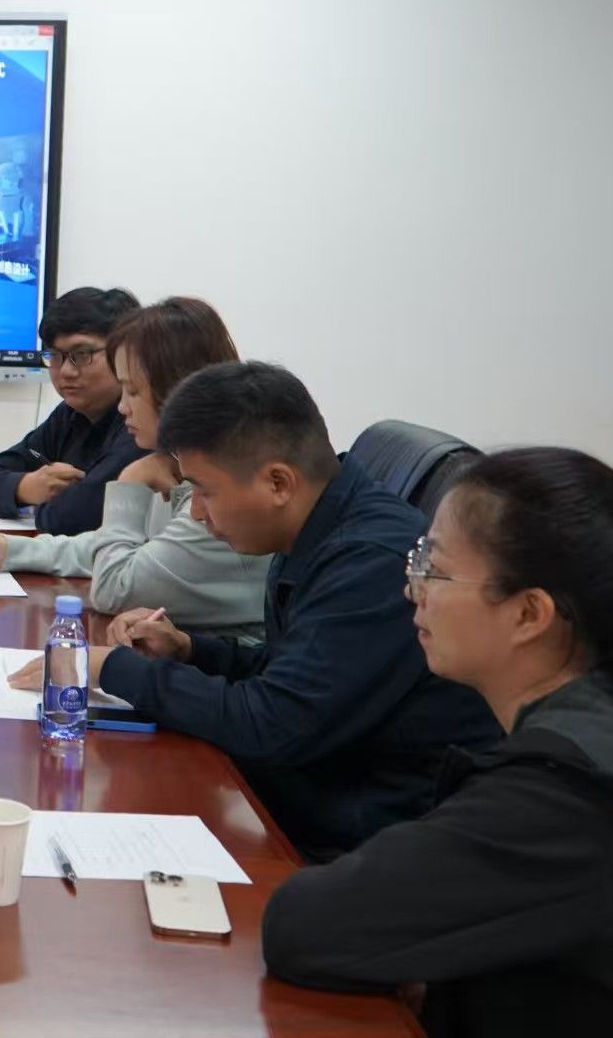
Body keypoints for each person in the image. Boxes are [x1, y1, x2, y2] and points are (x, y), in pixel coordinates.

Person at [33, 361, 500, 858]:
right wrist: (190, 650)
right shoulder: (318, 523)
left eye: (204, 492)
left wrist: (116, 669)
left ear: (278, 482)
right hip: (316, 798)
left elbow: (272, 724)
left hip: (370, 845)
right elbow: (294, 670)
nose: (197, 513)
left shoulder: (370, 563)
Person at [261, 448, 613, 1034]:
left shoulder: (561, 797)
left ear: (529, 614)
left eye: (435, 568)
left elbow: (304, 926)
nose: (412, 590)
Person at [0, 297, 267, 635]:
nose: (123, 407)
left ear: (179, 390)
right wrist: (13, 550)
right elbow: (113, 545)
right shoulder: (173, 464)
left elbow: (113, 587)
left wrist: (130, 482)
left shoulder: (220, 495)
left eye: (132, 391)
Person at [0, 286, 146, 535]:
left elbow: (72, 517)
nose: (66, 371)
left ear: (124, 352)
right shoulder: (70, 414)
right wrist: (25, 486)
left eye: (82, 354)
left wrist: (52, 501)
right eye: (55, 355)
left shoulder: (142, 419)